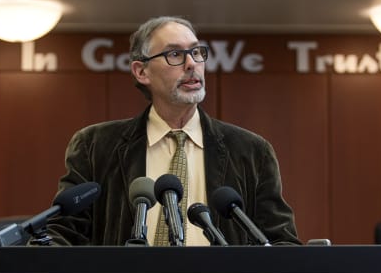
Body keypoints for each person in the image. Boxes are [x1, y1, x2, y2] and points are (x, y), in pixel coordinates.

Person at [44, 15, 301, 246]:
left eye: (197, 52)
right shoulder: (96, 146)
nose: (192, 64)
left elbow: (280, 241)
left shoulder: (251, 151)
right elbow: (65, 232)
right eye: (175, 55)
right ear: (141, 71)